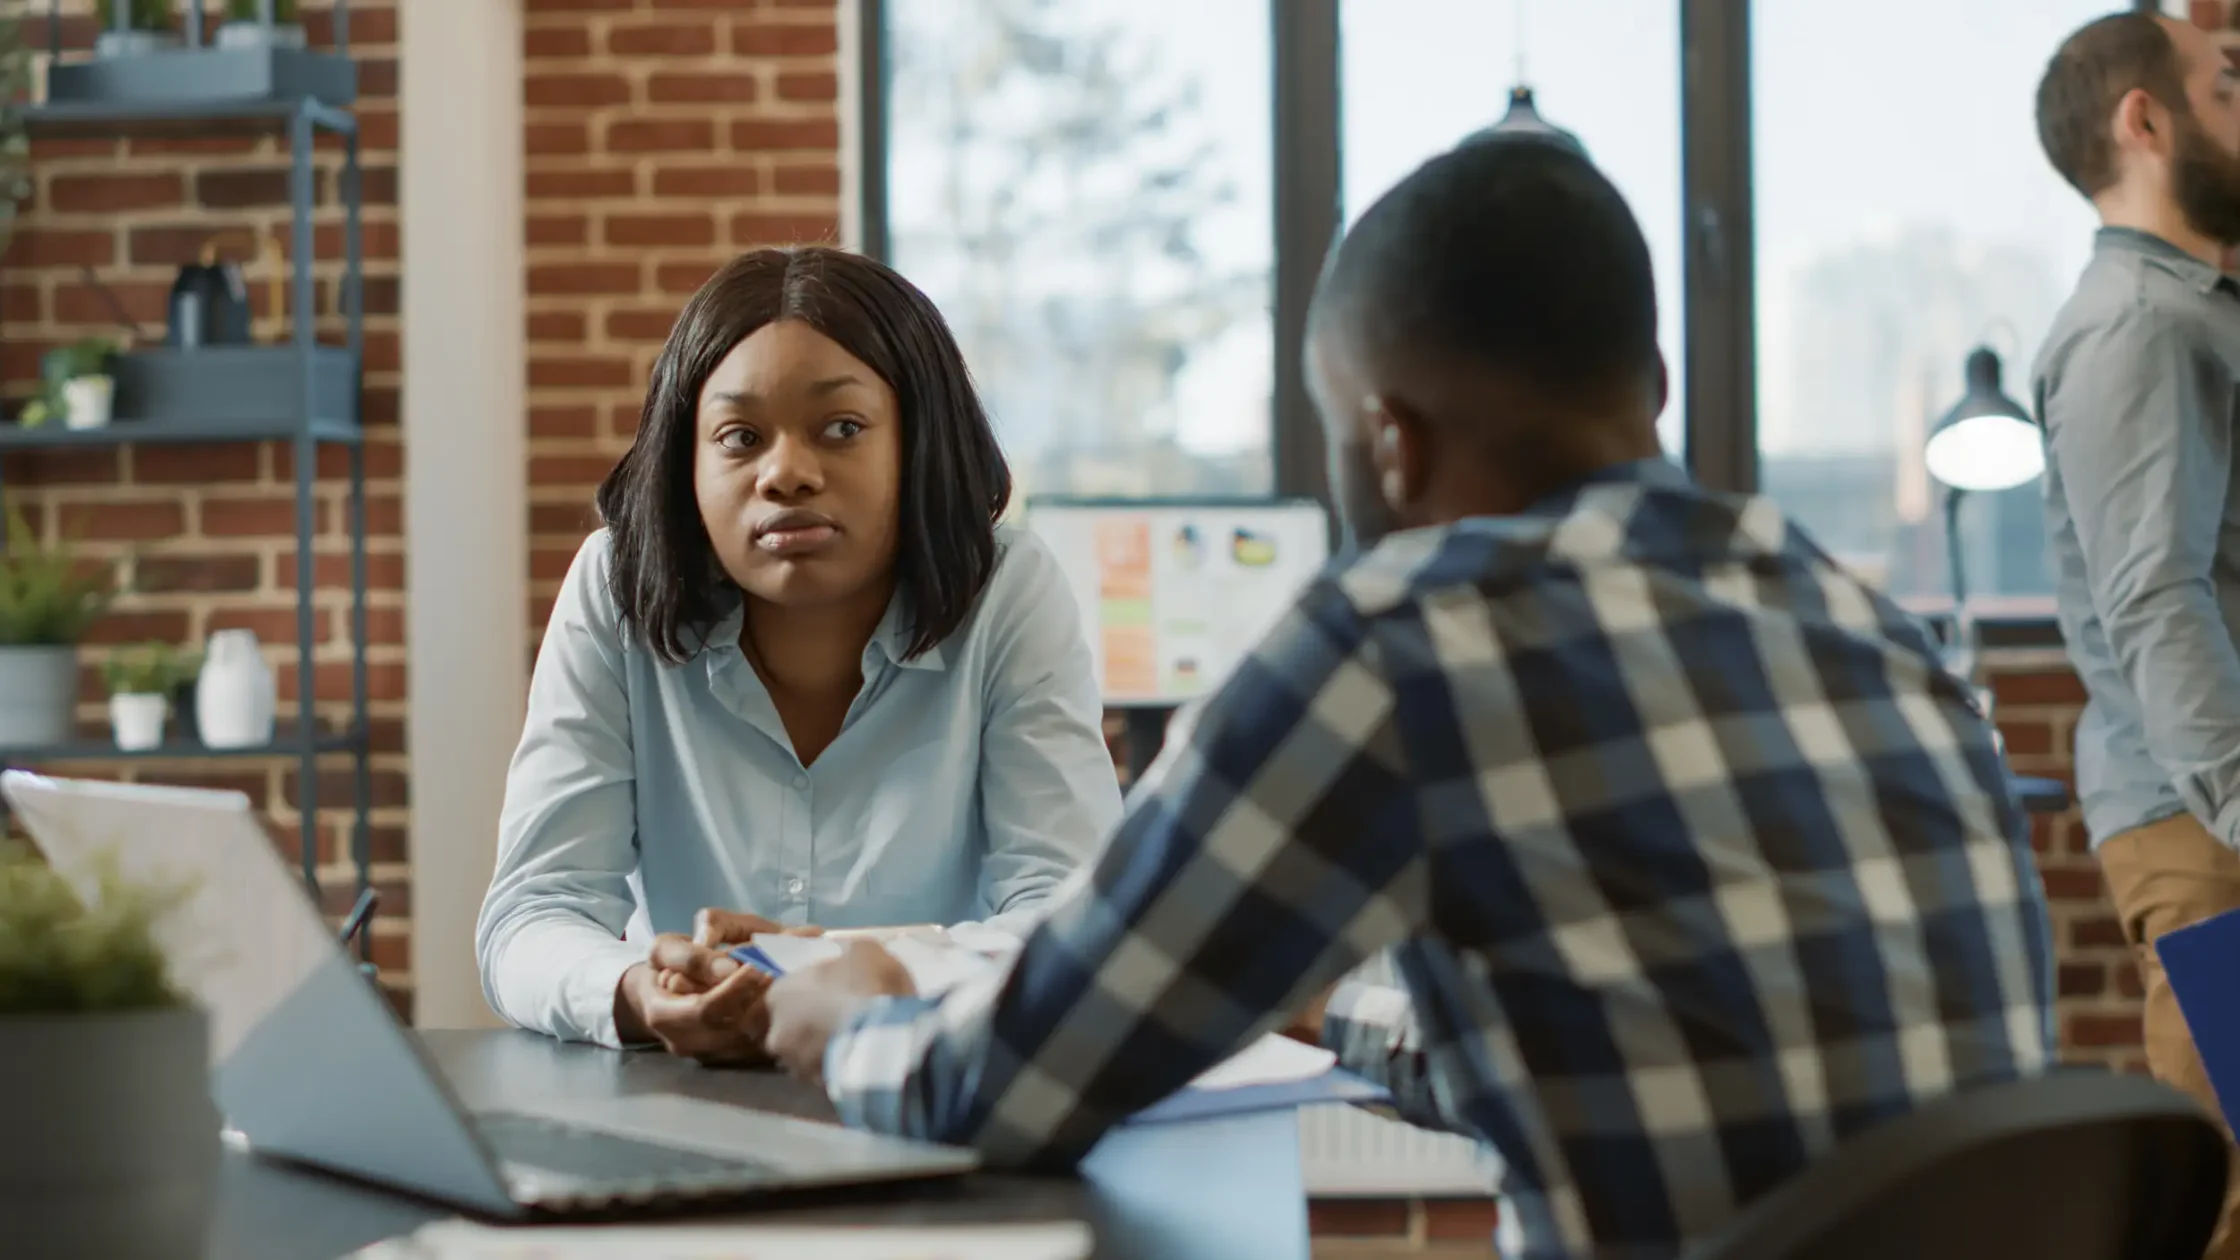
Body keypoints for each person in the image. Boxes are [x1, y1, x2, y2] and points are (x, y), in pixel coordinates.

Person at [754, 138, 2056, 1259]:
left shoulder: (1405, 635)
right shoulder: (1854, 614)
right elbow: (1684, 1041)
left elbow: (1016, 1086)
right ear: (1654, 390)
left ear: (1389, 439)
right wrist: (1343, 1016)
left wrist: (851, 1021)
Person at [475, 247, 1123, 1063]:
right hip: (677, 1100)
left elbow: (1077, 914)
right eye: (739, 436)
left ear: (919, 445)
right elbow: (534, 910)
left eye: (842, 428)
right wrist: (637, 992)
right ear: (688, 464)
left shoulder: (1007, 591)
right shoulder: (616, 588)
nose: (786, 473)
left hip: (934, 1084)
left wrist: (854, 976)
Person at [2034, 12, 2240, 1255]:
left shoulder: (2195, 309)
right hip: (2204, 834)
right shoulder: (2135, 327)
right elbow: (2155, 596)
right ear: (2145, 119)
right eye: (2229, 84)